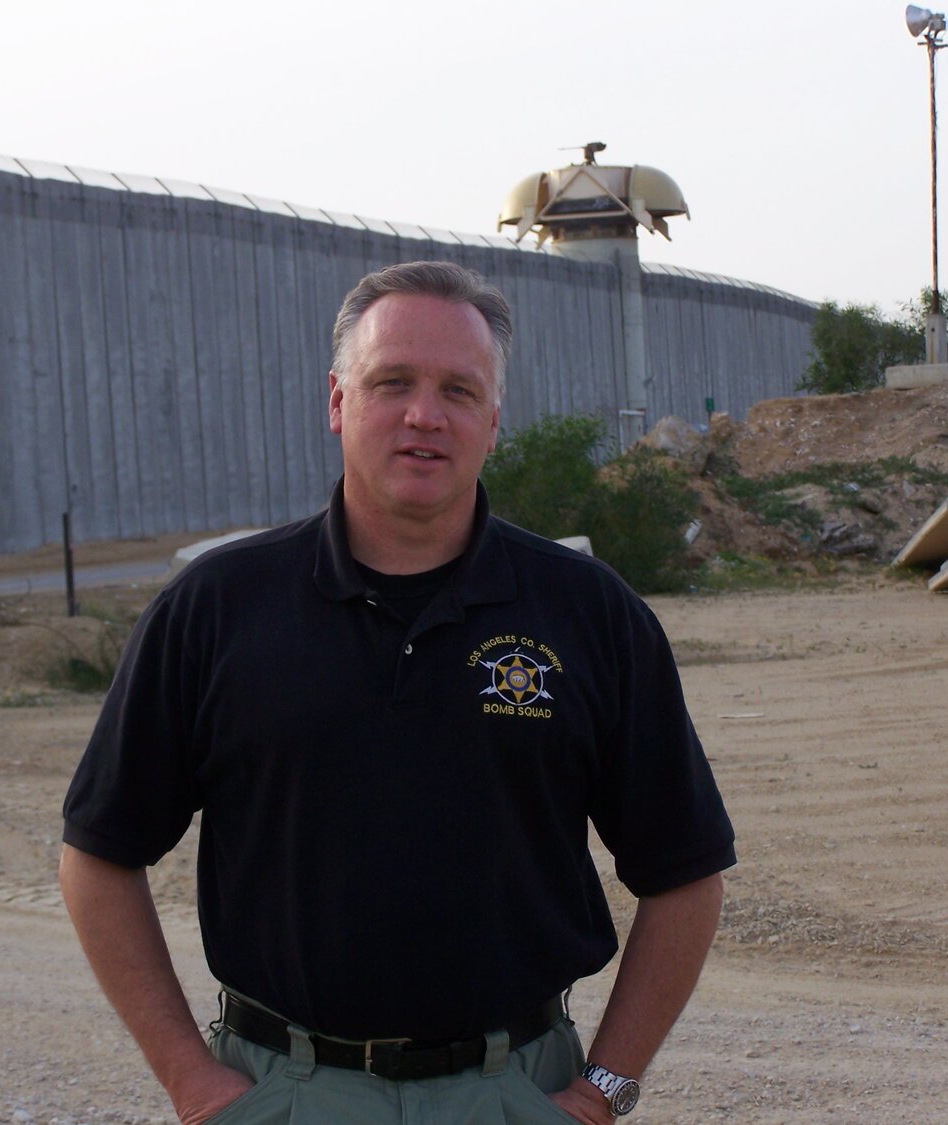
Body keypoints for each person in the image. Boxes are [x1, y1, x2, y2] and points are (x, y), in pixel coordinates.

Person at [60, 260, 736, 1124]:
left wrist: (604, 1090)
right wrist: (192, 1080)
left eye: (459, 389)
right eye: (393, 383)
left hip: (515, 1094)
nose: (425, 414)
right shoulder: (218, 609)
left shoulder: (590, 613)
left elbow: (686, 873)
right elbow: (98, 855)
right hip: (286, 1094)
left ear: (494, 421)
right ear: (337, 401)